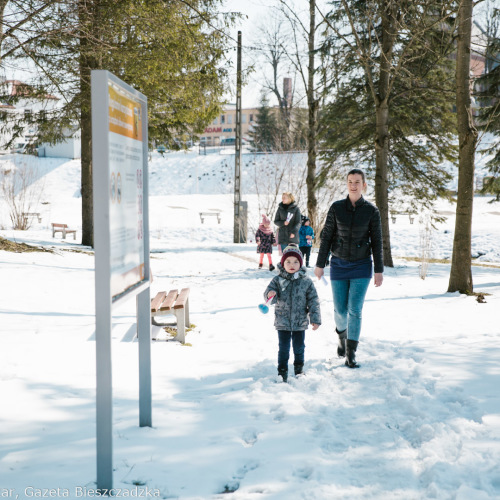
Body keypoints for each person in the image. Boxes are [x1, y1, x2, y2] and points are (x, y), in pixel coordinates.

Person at [314, 168, 383, 368]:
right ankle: (341, 337)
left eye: (357, 182)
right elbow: (326, 236)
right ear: (347, 184)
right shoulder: (336, 208)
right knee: (340, 311)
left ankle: (351, 353)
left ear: (364, 185)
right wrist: (320, 264)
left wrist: (378, 270)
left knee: (355, 310)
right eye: (350, 181)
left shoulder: (372, 211)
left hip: (362, 266)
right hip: (339, 264)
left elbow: (377, 241)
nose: (353, 185)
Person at [264, 244, 321, 382]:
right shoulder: (277, 280)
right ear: (283, 263)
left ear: (300, 263)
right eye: (288, 261)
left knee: (299, 346)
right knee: (283, 347)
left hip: (300, 321)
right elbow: (269, 297)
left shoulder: (306, 281)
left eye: (295, 261)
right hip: (282, 320)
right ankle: (282, 370)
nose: (292, 264)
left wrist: (315, 318)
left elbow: (313, 300)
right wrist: (270, 295)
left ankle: (298, 368)